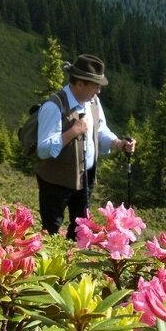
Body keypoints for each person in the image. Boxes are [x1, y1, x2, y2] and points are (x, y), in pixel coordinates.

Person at [35, 54, 137, 239]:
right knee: (51, 228)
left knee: (81, 227)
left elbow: (100, 130)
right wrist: (73, 131)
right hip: (55, 181)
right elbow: (43, 149)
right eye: (95, 85)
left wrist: (117, 143)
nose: (98, 91)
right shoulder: (53, 106)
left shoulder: (92, 102)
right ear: (80, 83)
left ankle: (74, 261)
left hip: (85, 178)